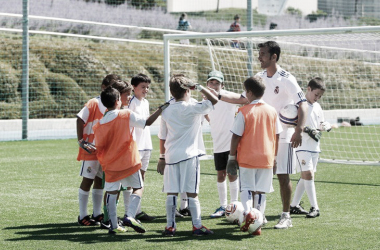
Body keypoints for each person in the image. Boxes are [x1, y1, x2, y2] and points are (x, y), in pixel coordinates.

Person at [214, 41, 308, 229]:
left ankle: (285, 215)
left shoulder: (286, 78)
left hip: (284, 135)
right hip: (262, 136)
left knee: (283, 175)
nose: (259, 57)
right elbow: (242, 98)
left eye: (263, 53)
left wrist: (299, 130)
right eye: (259, 53)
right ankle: (256, 215)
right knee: (256, 178)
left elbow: (303, 104)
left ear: (274, 56)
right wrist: (217, 94)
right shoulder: (259, 77)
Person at [93, 87, 168, 234]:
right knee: (138, 188)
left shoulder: (99, 124)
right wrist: (160, 110)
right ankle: (129, 215)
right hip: (128, 161)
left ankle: (114, 226)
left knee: (112, 194)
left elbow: (99, 146)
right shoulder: (125, 114)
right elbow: (146, 122)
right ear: (117, 101)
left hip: (110, 164)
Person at [157, 74, 217, 236]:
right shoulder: (193, 108)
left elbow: (162, 136)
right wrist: (199, 86)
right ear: (188, 90)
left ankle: (170, 226)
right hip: (189, 156)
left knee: (171, 192)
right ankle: (196, 226)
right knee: (192, 192)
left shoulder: (166, 111)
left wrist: (162, 157)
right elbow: (214, 100)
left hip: (170, 156)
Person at [227, 76, 282, 235]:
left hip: (247, 157)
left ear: (249, 92)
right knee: (261, 191)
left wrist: (231, 158)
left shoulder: (243, 111)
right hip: (267, 157)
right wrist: (275, 158)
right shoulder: (272, 111)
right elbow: (277, 135)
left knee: (246, 189)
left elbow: (236, 136)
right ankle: (257, 221)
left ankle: (247, 215)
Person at [76, 74, 120, 226]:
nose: (113, 91)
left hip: (103, 150)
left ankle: (97, 214)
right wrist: (81, 141)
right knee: (87, 180)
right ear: (103, 88)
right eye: (110, 87)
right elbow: (80, 118)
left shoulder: (114, 105)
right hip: (90, 150)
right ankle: (82, 216)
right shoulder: (94, 102)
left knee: (99, 181)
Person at [290, 77, 331, 218]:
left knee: (306, 175)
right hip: (302, 145)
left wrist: (325, 126)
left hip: (315, 146)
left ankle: (294, 205)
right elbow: (290, 121)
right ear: (308, 89)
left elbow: (320, 123)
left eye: (320, 96)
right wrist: (306, 129)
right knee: (308, 174)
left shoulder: (318, 107)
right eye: (316, 95)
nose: (317, 98)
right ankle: (315, 207)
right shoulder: (298, 104)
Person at [205, 70, 239, 218]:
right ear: (207, 84)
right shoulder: (205, 101)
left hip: (231, 143)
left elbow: (242, 101)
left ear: (222, 85)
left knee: (232, 174)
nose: (213, 85)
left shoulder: (228, 98)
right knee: (220, 175)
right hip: (217, 144)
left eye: (217, 83)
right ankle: (223, 206)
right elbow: (205, 113)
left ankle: (235, 205)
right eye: (211, 82)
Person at [128, 73, 155, 221]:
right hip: (136, 146)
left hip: (146, 145)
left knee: (141, 178)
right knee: (133, 180)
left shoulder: (145, 102)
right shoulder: (131, 102)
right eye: (142, 87)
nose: (145, 90)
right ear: (134, 87)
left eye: (147, 87)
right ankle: (130, 212)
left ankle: (137, 211)